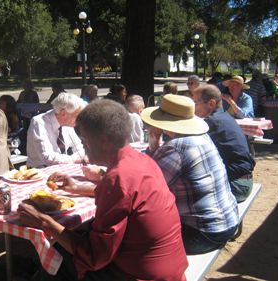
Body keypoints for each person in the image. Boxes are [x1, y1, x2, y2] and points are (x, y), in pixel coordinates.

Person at [18, 99, 187, 280]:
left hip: (141, 275)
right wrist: (76, 188)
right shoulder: (142, 161)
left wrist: (43, 221)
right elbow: (125, 198)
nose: (83, 146)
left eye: (84, 139)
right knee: (69, 240)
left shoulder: (118, 178)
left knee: (55, 259)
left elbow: (93, 256)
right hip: (171, 268)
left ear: (104, 141)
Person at [141, 94, 239, 255]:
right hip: (227, 222)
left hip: (203, 234)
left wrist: (154, 138)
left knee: (133, 237)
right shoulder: (202, 137)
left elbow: (146, 187)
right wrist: (155, 141)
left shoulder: (176, 147)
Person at [192, 85, 255, 202]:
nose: (193, 107)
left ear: (211, 103)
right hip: (243, 181)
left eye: (196, 103)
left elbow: (192, 151)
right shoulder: (223, 116)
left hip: (236, 185)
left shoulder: (212, 123)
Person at [26, 93, 87, 168]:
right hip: (39, 171)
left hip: (61, 168)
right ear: (63, 113)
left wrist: (79, 157)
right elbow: (47, 157)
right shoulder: (39, 122)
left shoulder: (67, 124)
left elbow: (79, 148)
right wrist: (74, 159)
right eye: (77, 116)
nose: (79, 120)